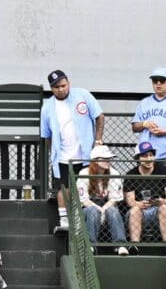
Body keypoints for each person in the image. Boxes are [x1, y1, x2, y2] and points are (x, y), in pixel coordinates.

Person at [40, 73, 103, 231]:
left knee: (87, 188)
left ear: (69, 83)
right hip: (62, 157)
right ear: (51, 89)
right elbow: (46, 135)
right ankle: (65, 221)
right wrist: (53, 153)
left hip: (85, 155)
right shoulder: (47, 107)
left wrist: (98, 140)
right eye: (56, 87)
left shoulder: (83, 94)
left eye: (63, 85)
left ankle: (85, 221)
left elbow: (99, 116)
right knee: (63, 189)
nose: (61, 89)